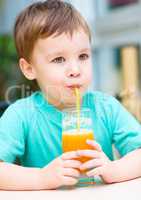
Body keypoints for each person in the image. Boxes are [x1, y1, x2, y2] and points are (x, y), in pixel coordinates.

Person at [0, 0, 141, 190]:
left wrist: (114, 169)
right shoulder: (21, 114)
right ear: (29, 68)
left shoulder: (106, 107)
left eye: (83, 56)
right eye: (59, 59)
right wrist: (42, 178)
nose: (75, 70)